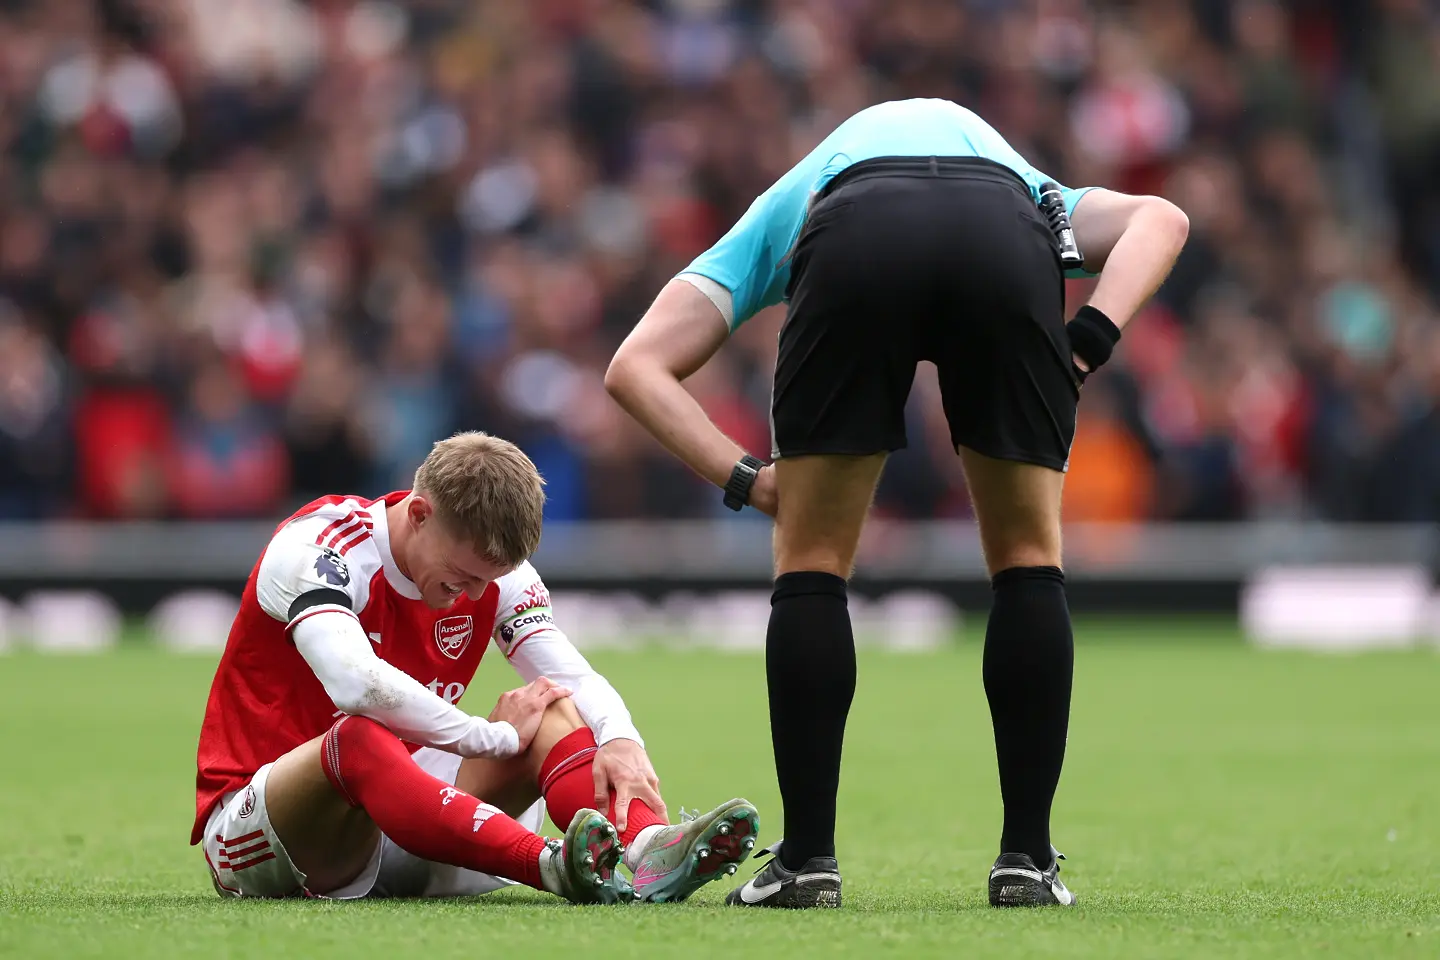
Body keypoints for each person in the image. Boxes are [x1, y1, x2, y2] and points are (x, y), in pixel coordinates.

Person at [604, 98, 1188, 908]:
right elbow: (1162, 219)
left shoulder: (786, 203)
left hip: (854, 232)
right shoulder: (1031, 184)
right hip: (1001, 234)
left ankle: (807, 864)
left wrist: (750, 480)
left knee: (811, 562)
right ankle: (1026, 860)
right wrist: (1087, 341)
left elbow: (633, 368)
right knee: (1027, 557)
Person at [192, 431, 759, 902]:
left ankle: (648, 848)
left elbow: (572, 675)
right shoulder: (318, 548)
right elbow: (355, 684)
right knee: (359, 737)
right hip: (271, 835)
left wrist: (621, 739)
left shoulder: (490, 573)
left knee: (551, 703)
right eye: (462, 576)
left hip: (409, 817)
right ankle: (551, 865)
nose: (471, 595)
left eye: (486, 581)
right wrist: (487, 735)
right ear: (418, 514)